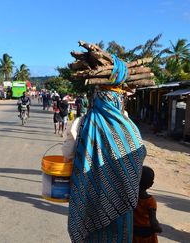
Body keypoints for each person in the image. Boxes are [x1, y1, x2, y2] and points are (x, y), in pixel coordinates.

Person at [62, 55, 147, 242]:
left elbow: (67, 154)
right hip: (122, 206)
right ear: (119, 99)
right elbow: (139, 157)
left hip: (88, 202)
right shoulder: (131, 127)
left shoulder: (81, 123)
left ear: (96, 96)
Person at [133, 166, 162, 243]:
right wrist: (158, 228)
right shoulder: (150, 201)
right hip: (147, 235)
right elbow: (153, 222)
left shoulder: (132, 197)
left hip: (134, 233)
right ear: (151, 184)